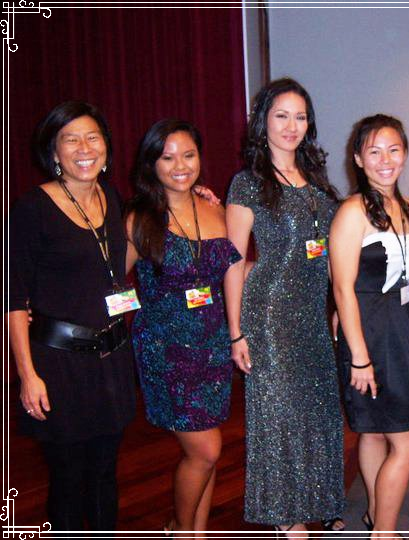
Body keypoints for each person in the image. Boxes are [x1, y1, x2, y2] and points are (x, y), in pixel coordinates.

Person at [7, 101, 137, 531]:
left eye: (92, 137)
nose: (84, 149)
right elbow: (13, 300)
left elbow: (118, 261)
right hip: (59, 364)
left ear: (106, 147)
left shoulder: (111, 198)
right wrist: (27, 375)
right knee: (68, 479)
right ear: (54, 152)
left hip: (111, 359)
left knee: (105, 473)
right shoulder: (32, 209)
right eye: (71, 140)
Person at [225, 78, 345, 537]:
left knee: (319, 409)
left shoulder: (317, 182)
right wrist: (236, 331)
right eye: (281, 116)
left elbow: (330, 254)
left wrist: (338, 307)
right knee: (280, 414)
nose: (291, 126)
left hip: (313, 313)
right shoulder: (248, 183)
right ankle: (285, 514)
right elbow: (233, 262)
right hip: (270, 314)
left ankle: (322, 499)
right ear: (263, 121)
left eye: (300, 117)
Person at [125, 119, 241, 534]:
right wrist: (140, 311)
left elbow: (233, 269)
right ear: (151, 163)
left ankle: (197, 531)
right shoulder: (140, 218)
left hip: (213, 346)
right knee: (205, 450)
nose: (180, 165)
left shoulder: (215, 208)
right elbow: (113, 281)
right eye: (168, 157)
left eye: (189, 155)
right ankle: (178, 527)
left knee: (208, 451)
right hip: (166, 349)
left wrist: (237, 332)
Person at [330, 114, 409, 537]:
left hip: (400, 327)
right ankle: (383, 532)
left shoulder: (402, 206)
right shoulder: (352, 211)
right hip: (369, 332)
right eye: (374, 151)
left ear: (406, 154)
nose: (385, 160)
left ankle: (374, 513)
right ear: (358, 158)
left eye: (394, 150)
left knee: (372, 431)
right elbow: (342, 288)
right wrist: (360, 357)